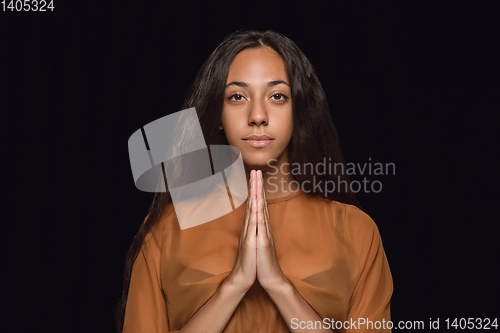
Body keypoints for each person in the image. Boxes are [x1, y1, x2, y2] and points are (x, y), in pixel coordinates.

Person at [116, 29, 393, 333]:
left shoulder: (356, 231)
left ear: (299, 110)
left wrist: (278, 286)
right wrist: (235, 284)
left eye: (277, 96)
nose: (258, 115)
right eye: (237, 96)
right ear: (218, 113)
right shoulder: (165, 229)